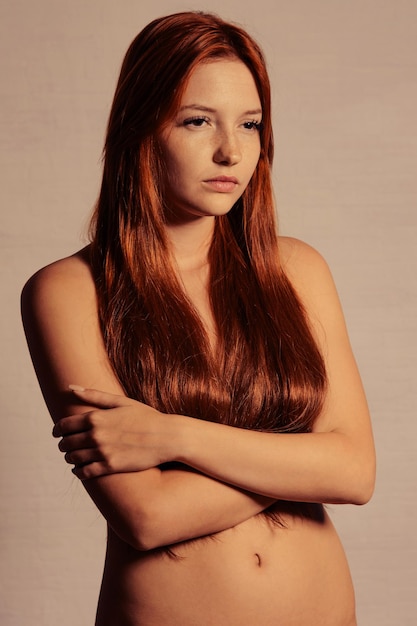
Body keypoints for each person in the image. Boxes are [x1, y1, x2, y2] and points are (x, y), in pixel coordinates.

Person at [21, 11, 375, 626]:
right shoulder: (67, 291)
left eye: (250, 124)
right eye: (197, 121)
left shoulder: (296, 270)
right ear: (141, 127)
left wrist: (173, 436)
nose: (230, 150)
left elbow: (355, 471)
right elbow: (148, 515)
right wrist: (302, 464)